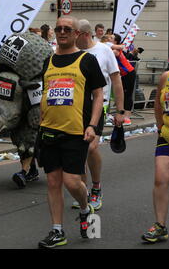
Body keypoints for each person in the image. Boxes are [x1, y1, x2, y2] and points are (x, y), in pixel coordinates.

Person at [38, 16, 106, 248]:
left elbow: (98, 95)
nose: (62, 32)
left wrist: (93, 126)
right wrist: (40, 122)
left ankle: (86, 209)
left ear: (77, 34)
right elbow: (45, 96)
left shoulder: (87, 60)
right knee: (53, 182)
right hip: (49, 130)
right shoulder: (48, 61)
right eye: (59, 28)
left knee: (72, 182)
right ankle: (57, 231)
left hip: (76, 131)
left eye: (68, 28)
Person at [74, 19, 125, 211]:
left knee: (90, 147)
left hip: (99, 106)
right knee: (79, 149)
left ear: (85, 35)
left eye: (74, 34)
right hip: (75, 108)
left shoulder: (104, 50)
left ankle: (96, 187)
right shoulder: (71, 51)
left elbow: (116, 81)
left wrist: (120, 111)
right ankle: (82, 190)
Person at [141, 71, 169, 243]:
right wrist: (160, 127)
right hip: (166, 136)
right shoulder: (166, 77)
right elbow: (158, 105)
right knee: (160, 179)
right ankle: (160, 226)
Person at [111, 34, 136, 126]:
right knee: (123, 95)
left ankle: (127, 117)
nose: (109, 39)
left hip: (129, 73)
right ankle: (124, 115)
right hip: (124, 74)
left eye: (111, 38)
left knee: (127, 95)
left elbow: (110, 52)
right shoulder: (115, 48)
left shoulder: (115, 51)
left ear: (115, 42)